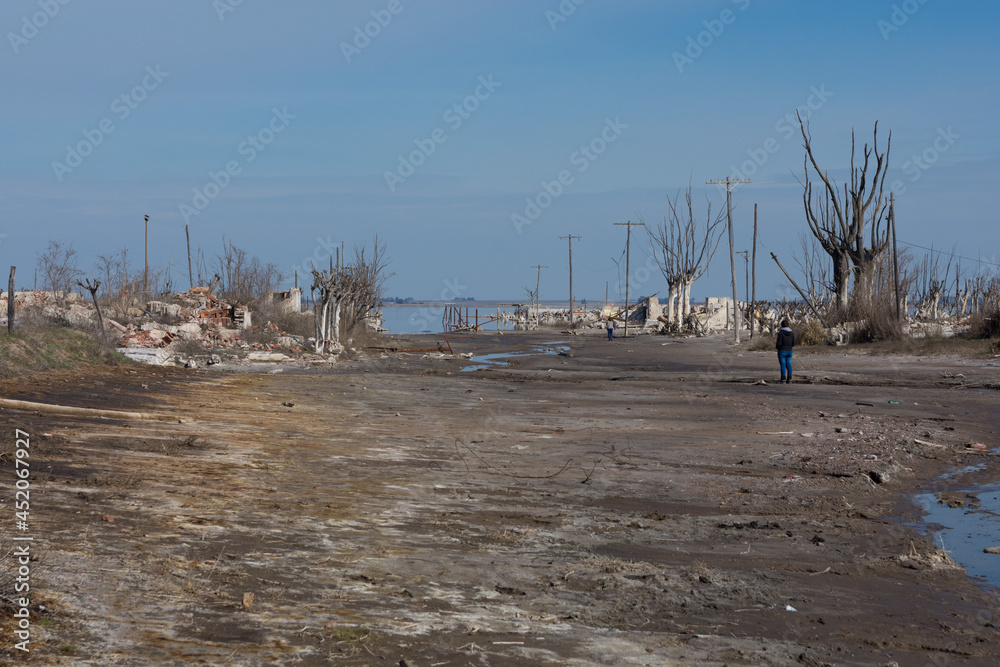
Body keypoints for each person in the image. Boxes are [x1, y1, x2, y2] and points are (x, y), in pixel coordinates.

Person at [775, 319, 795, 384]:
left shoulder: (781, 333)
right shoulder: (791, 334)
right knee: (789, 364)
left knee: (783, 365)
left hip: (782, 351)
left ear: (782, 325)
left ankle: (783, 379)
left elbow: (778, 343)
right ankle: (789, 379)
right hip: (789, 351)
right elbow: (793, 343)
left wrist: (778, 348)